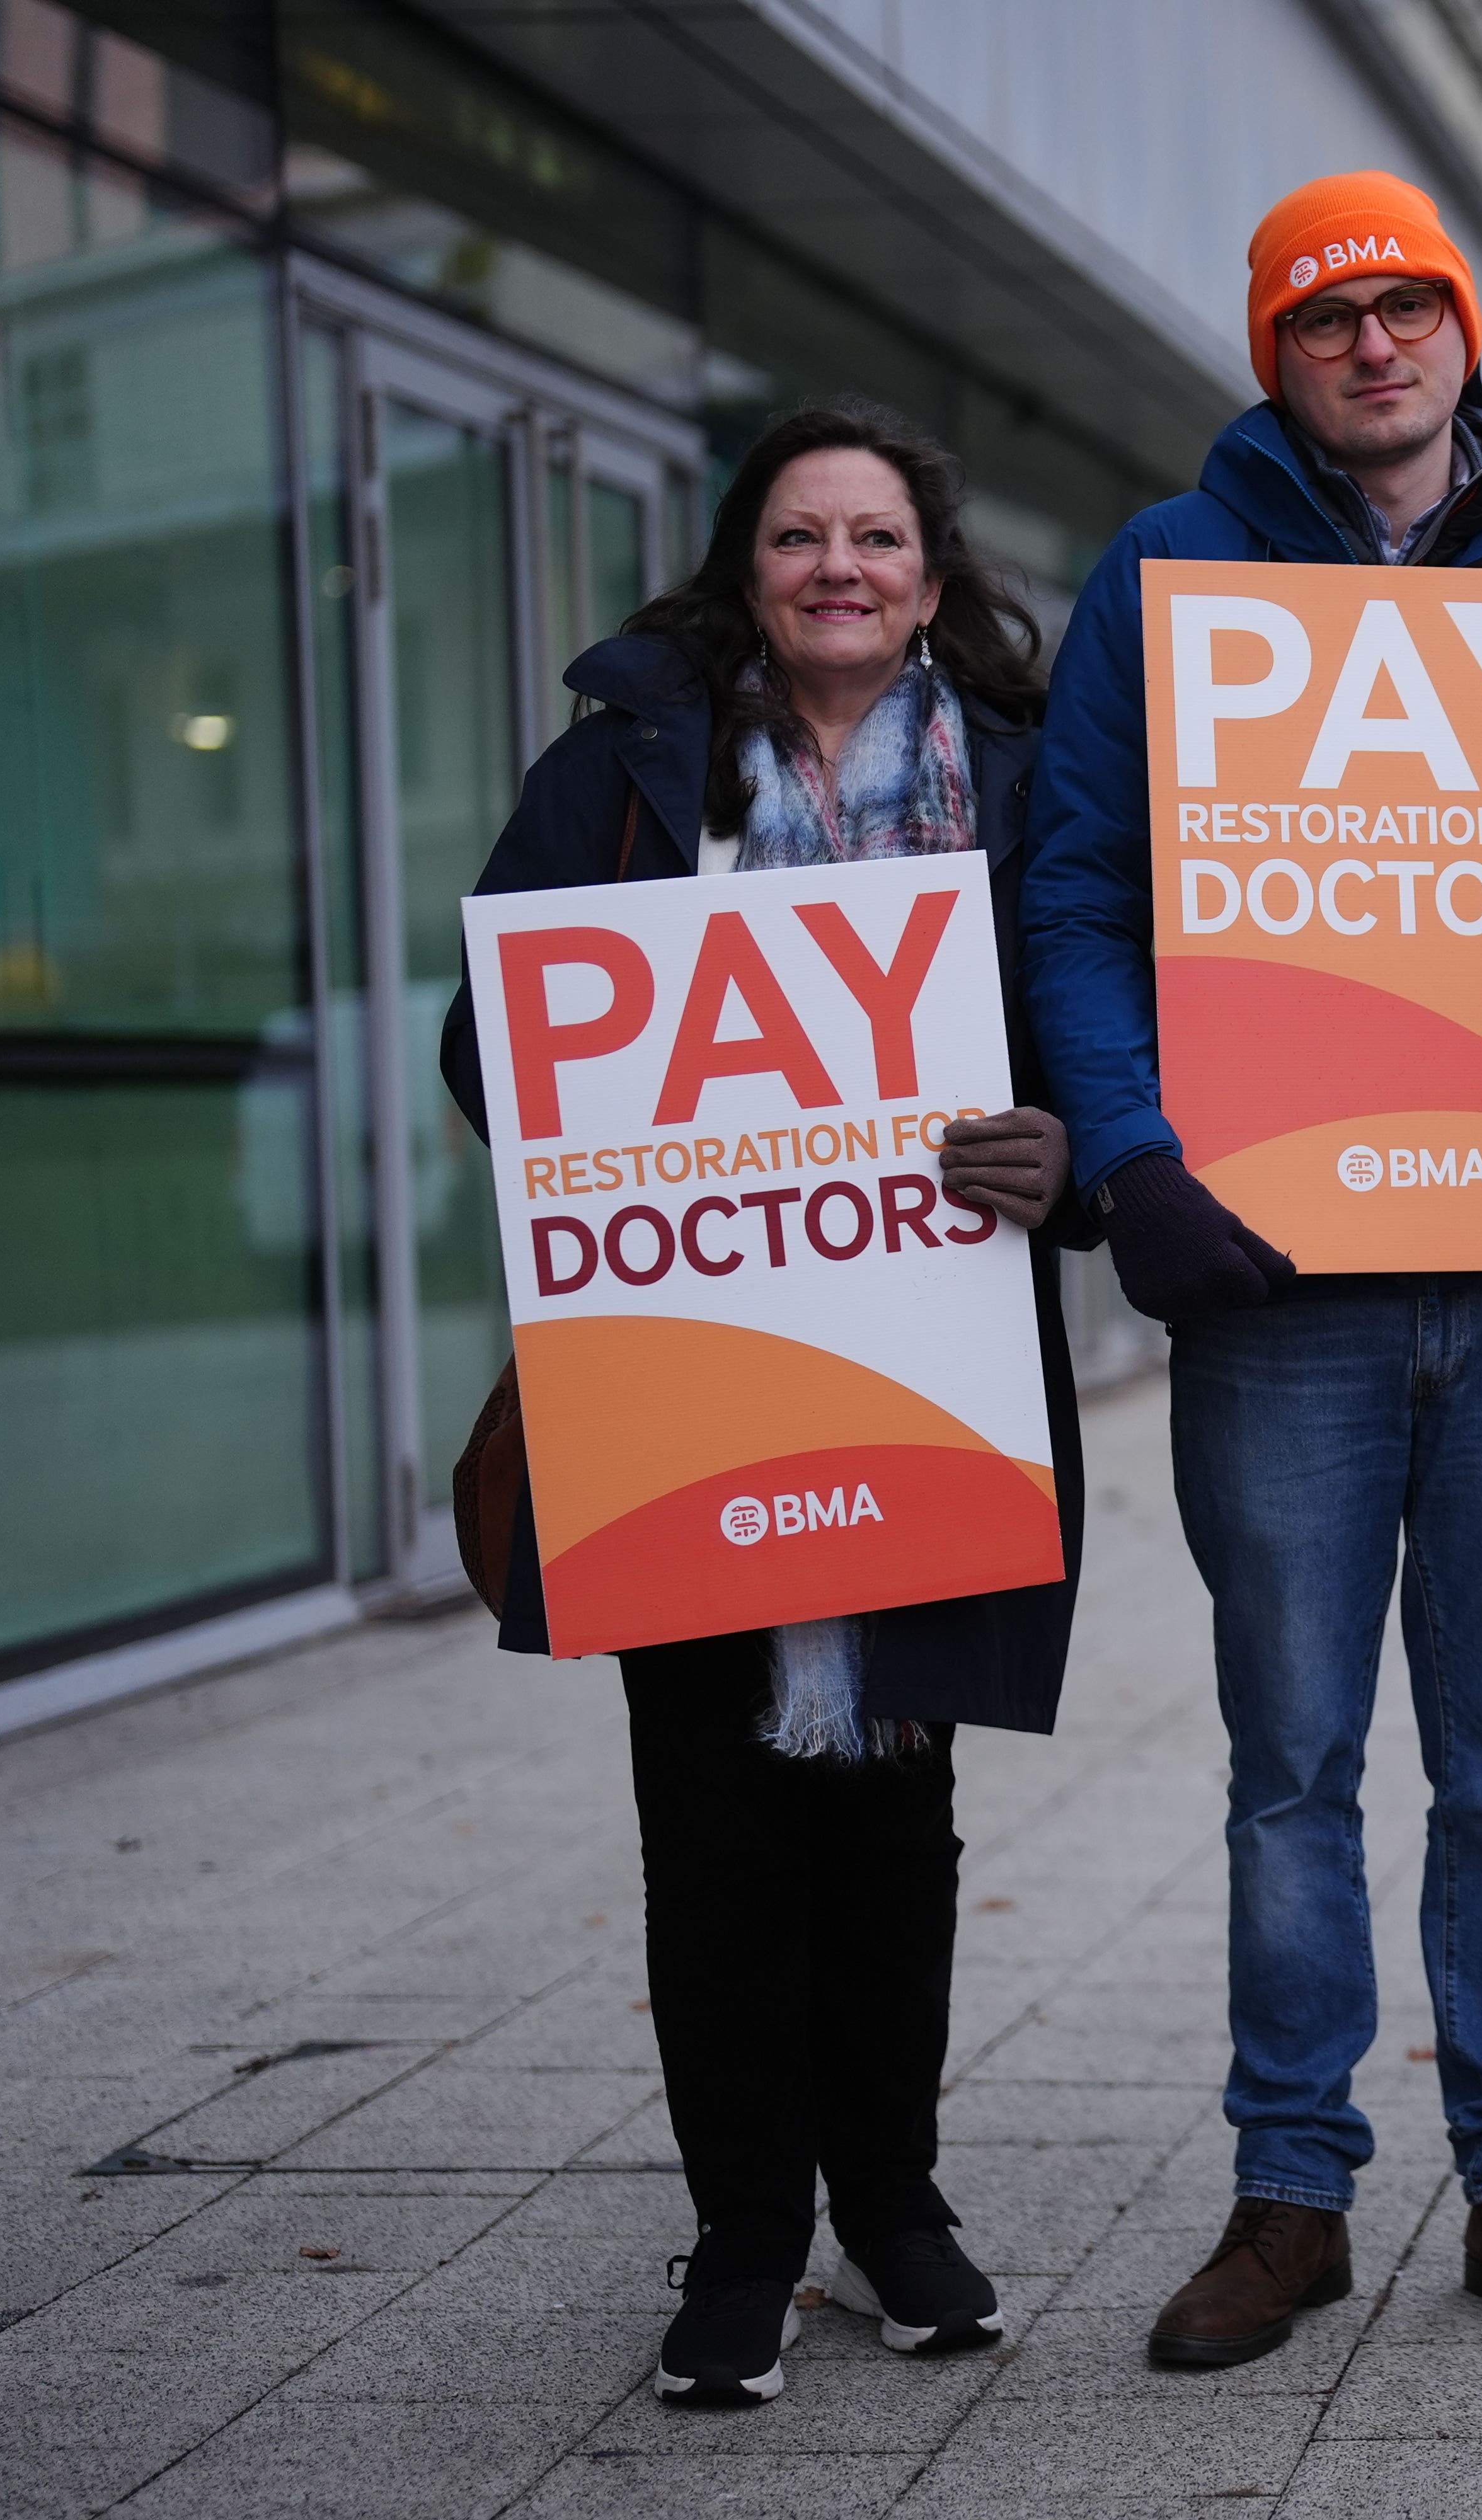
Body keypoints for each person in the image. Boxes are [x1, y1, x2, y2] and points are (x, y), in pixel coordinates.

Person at [1018, 173, 1482, 2366]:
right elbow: (1077, 897)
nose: (1374, 346)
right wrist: (1136, 1161)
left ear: (1459, 335)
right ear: (1274, 353)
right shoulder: (1171, 576)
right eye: (1325, 319)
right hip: (1283, 1300)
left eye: (1407, 306)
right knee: (1290, 1765)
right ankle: (1287, 2194)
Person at [439, 398, 1093, 2408]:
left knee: (901, 1819)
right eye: (800, 537)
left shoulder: (1016, 782)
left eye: (876, 540)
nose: (839, 570)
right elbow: (493, 1047)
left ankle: (894, 2207)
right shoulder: (624, 774)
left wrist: (1058, 1153)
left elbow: (1092, 1033)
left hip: (936, 1371)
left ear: (930, 576)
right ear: (745, 566)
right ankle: (742, 2235)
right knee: (709, 1827)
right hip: (689, 1385)